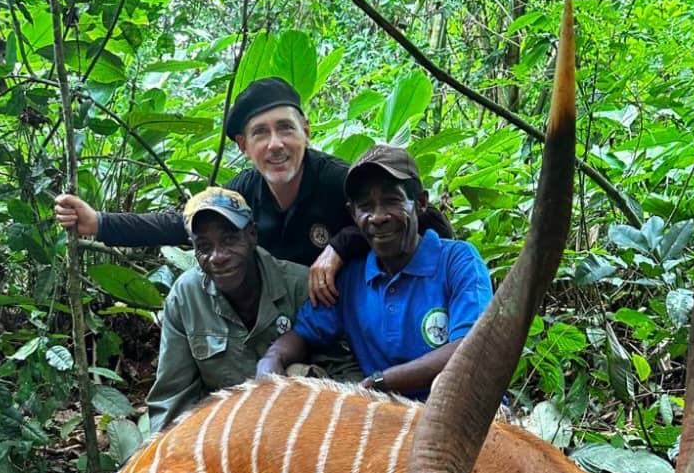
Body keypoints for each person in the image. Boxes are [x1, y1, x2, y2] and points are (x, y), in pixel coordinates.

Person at [54, 78, 453, 306]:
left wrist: (340, 246)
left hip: (356, 311)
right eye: (261, 133)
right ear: (244, 146)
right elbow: (181, 224)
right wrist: (99, 222)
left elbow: (418, 219)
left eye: (286, 128)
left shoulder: (339, 180)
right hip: (280, 321)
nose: (276, 144)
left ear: (306, 132)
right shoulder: (243, 193)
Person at [256, 145, 493, 401]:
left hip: (456, 409)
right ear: (353, 213)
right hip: (386, 415)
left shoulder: (457, 260)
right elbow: (303, 334)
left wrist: (380, 382)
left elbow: (469, 349)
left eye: (392, 201)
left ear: (420, 203)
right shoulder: (351, 277)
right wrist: (272, 358)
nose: (377, 217)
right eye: (365, 206)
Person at [145, 186, 359, 433]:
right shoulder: (186, 297)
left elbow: (345, 372)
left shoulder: (301, 286)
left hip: (303, 427)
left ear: (252, 235)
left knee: (296, 373)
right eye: (204, 246)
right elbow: (172, 395)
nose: (218, 256)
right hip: (226, 430)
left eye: (229, 240)